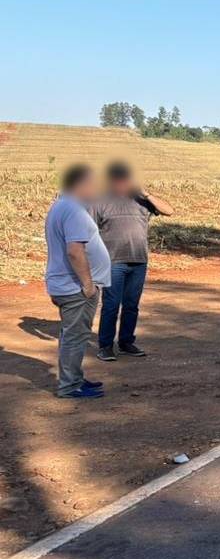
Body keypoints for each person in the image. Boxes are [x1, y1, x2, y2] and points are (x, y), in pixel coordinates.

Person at [91, 161, 175, 362]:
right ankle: (105, 346)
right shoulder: (100, 201)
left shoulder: (142, 200)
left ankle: (126, 342)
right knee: (111, 305)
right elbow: (90, 231)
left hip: (138, 261)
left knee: (131, 305)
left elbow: (169, 211)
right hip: (112, 261)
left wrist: (146, 193)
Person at [45, 164, 112, 399]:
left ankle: (74, 378)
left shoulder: (62, 206)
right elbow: (75, 251)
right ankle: (70, 386)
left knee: (71, 335)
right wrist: (88, 285)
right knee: (75, 336)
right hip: (76, 287)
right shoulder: (73, 210)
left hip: (65, 283)